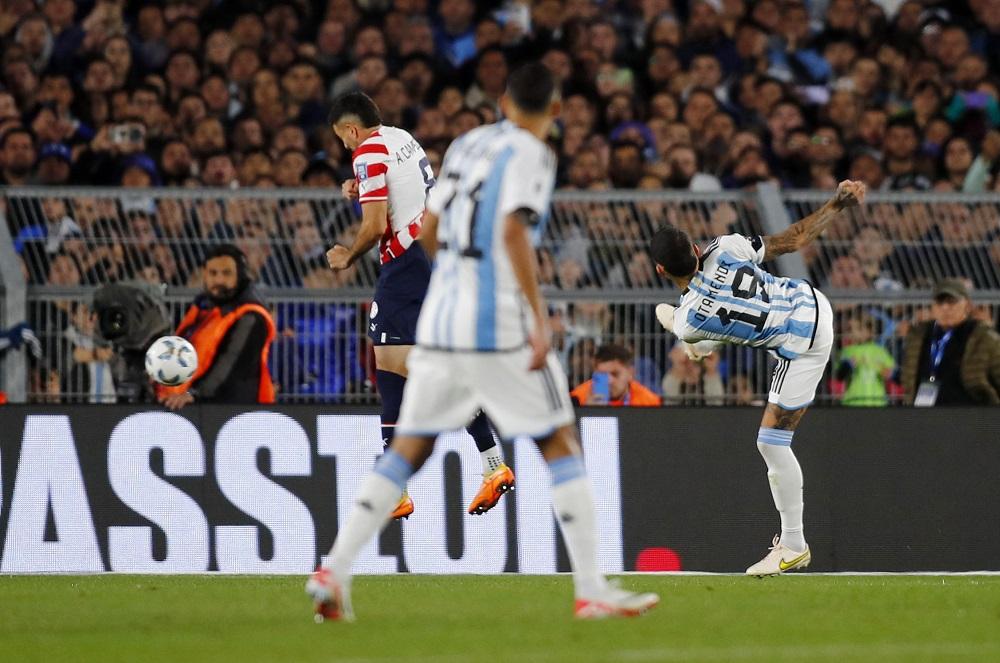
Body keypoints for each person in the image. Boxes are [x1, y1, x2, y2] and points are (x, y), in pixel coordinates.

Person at [307, 63, 659, 622]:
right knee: (559, 441)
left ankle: (334, 572)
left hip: (444, 312)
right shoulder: (533, 155)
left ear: (503, 103)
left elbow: (427, 228)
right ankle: (591, 589)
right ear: (556, 111)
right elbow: (514, 230)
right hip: (495, 319)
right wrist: (537, 318)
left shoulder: (468, 144)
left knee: (408, 446)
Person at [651, 179, 866, 576]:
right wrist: (836, 204)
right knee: (766, 427)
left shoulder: (689, 320)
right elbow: (793, 239)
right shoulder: (725, 247)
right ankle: (792, 545)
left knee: (771, 441)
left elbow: (701, 329)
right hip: (813, 302)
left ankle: (794, 545)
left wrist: (683, 333)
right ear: (696, 249)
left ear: (660, 270)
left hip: (802, 344)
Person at [324, 91, 514, 518]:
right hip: (431, 253)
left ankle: (488, 460)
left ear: (351, 129)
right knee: (390, 364)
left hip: (405, 264)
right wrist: (360, 187)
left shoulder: (367, 153)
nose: (346, 147)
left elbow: (375, 225)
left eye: (343, 138)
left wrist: (348, 256)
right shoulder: (400, 138)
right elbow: (404, 188)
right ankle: (405, 485)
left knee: (404, 365)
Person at [157, 244, 277, 410]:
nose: (219, 280)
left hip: (230, 410)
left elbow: (230, 364)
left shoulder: (251, 316)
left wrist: (195, 394)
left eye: (226, 273)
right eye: (213, 273)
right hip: (192, 405)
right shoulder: (203, 306)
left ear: (240, 276)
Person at [901, 279, 1000, 406]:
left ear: (967, 305)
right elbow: (908, 375)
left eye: (952, 302)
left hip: (971, 412)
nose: (945, 308)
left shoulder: (984, 337)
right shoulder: (918, 335)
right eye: (940, 302)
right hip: (925, 412)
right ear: (932, 306)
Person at [570, 343, 662, 406]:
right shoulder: (577, 398)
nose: (609, 380)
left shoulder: (650, 402)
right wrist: (587, 412)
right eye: (602, 374)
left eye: (615, 374)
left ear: (630, 373)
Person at [834, 313, 895, 407]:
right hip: (853, 402)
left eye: (853, 329)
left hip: (877, 402)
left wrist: (887, 372)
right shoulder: (846, 351)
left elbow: (891, 372)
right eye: (849, 329)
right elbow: (839, 375)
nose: (849, 333)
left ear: (868, 331)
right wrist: (848, 365)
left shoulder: (880, 351)